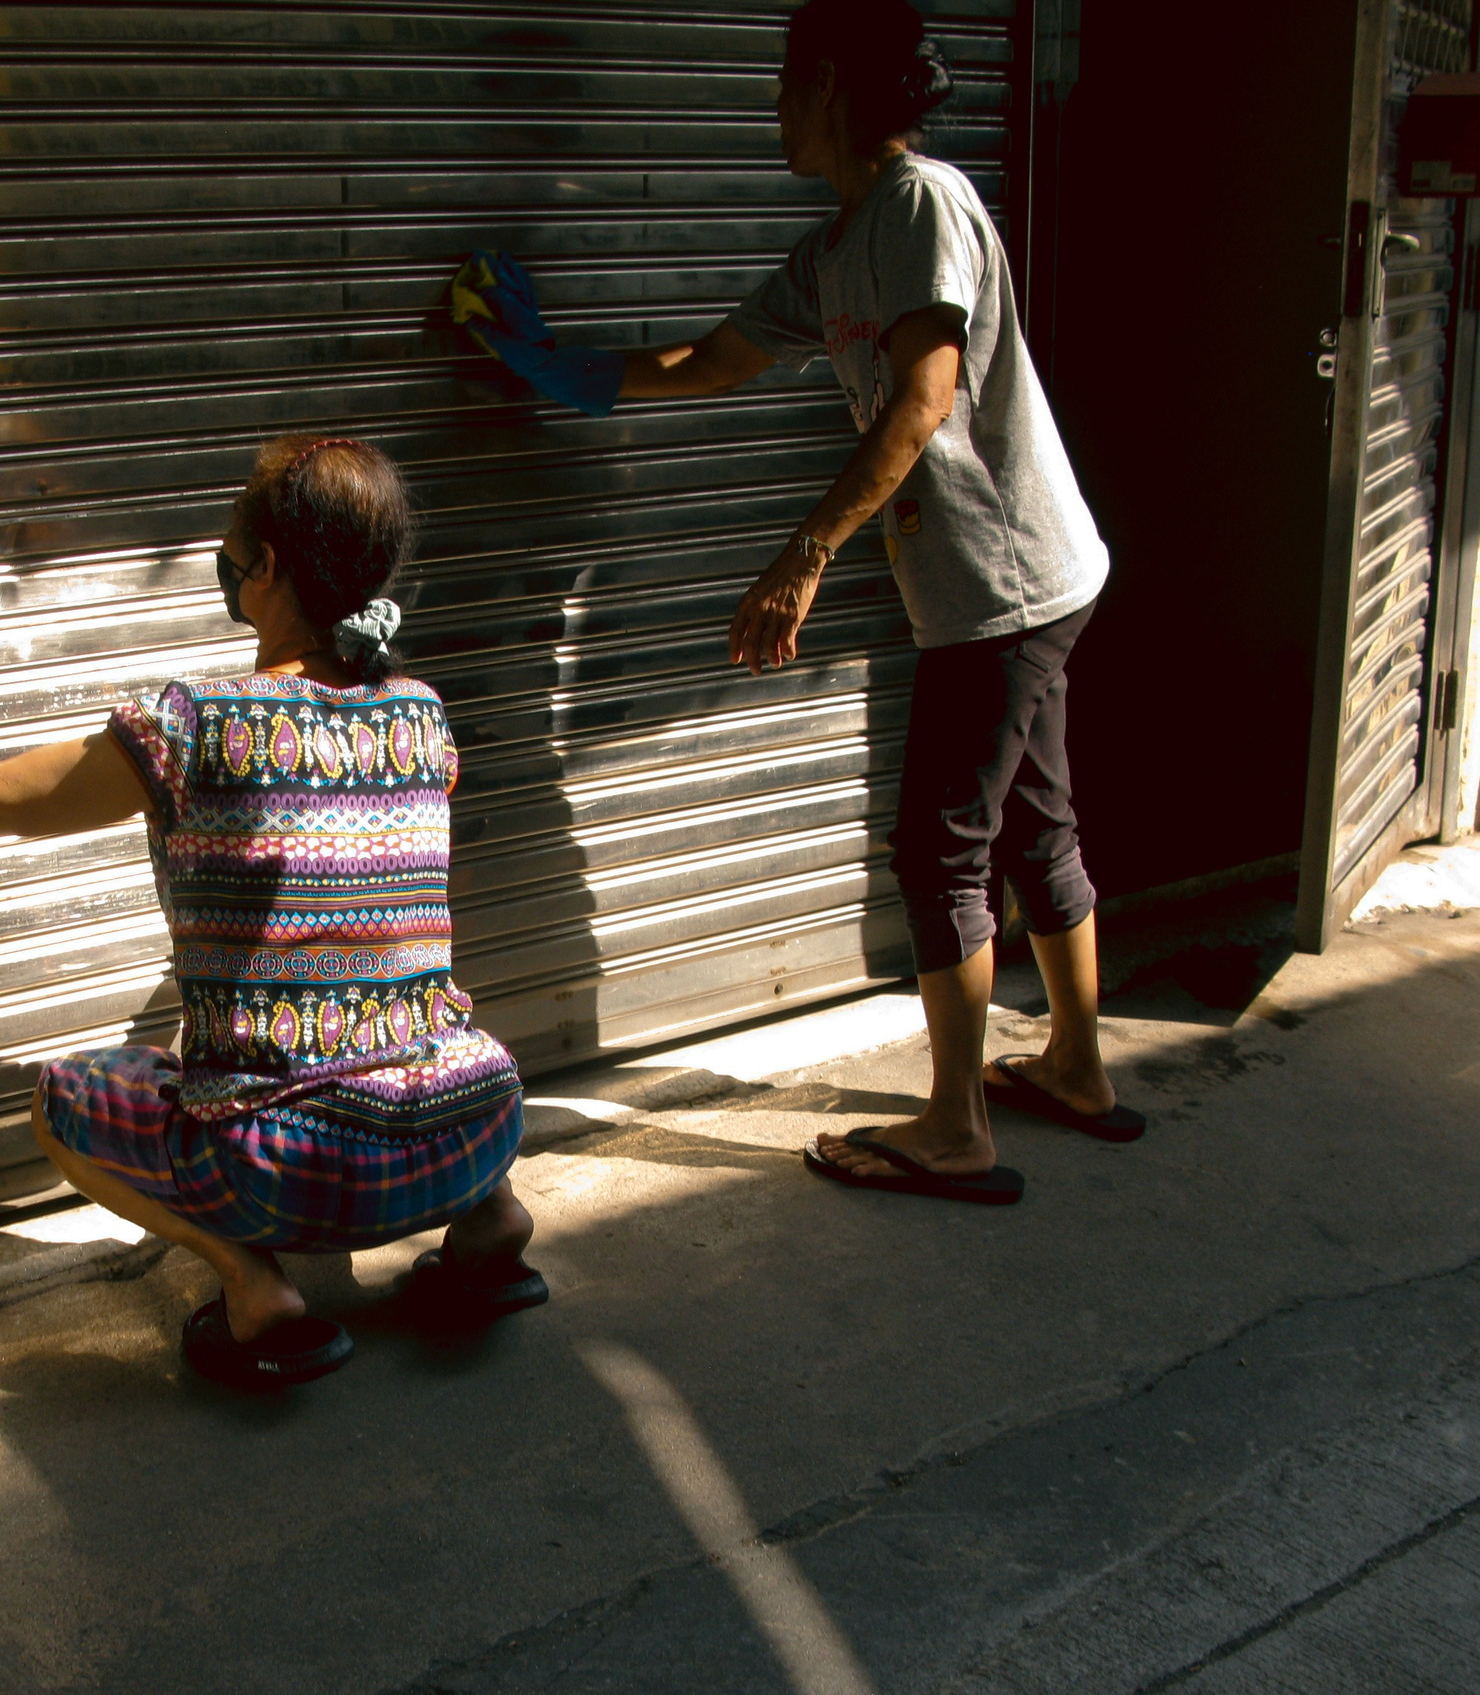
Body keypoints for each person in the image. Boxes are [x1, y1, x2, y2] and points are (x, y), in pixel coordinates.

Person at [457, 0, 1142, 1205]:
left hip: (1003, 583)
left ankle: (954, 1124)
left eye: (782, 82)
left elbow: (923, 397)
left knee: (941, 850)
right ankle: (1077, 1069)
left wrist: (805, 552)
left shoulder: (920, 202)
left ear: (828, 83)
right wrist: (554, 363)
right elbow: (712, 361)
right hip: (1015, 583)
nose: (769, 105)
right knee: (1035, 823)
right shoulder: (836, 249)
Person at [0, 436, 543, 1388]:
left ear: (266, 571)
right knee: (420, 1011)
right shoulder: (422, 711)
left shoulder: (197, 721)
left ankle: (254, 1288)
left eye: (232, 546)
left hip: (293, 1169)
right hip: (476, 1121)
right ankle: (494, 1222)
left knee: (63, 1102)